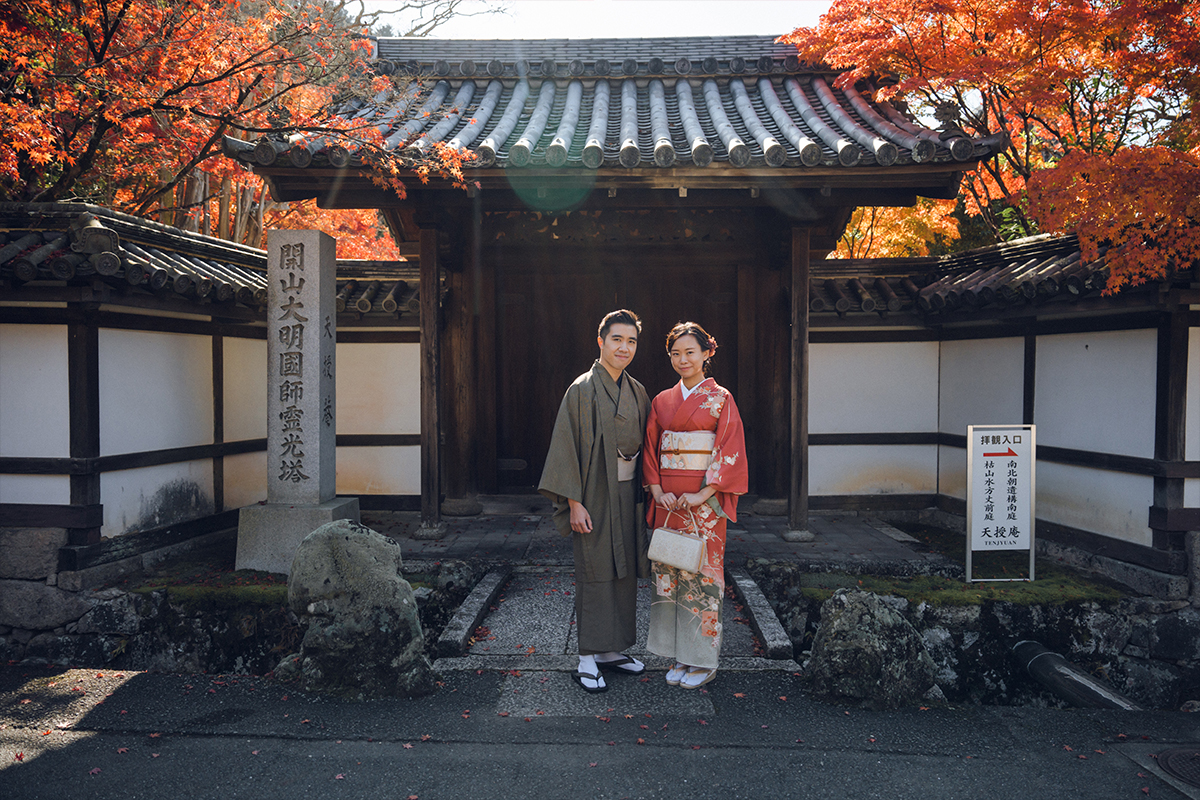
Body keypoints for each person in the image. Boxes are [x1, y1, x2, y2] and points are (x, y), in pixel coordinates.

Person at [539, 309, 652, 693]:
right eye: (617, 339)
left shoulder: (637, 390)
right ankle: (587, 654)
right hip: (593, 494)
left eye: (632, 341)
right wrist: (573, 502)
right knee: (595, 569)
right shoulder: (582, 389)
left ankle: (610, 650)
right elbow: (565, 447)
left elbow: (650, 447)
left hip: (629, 492)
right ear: (600, 341)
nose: (625, 347)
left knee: (624, 569)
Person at [642, 321, 747, 689]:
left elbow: (729, 449)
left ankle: (702, 660)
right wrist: (656, 490)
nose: (683, 359)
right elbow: (652, 449)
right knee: (669, 575)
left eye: (690, 352)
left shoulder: (722, 399)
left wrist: (704, 493)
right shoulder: (661, 401)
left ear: (707, 353)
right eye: (675, 353)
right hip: (669, 503)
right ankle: (679, 655)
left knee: (702, 579)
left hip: (704, 504)